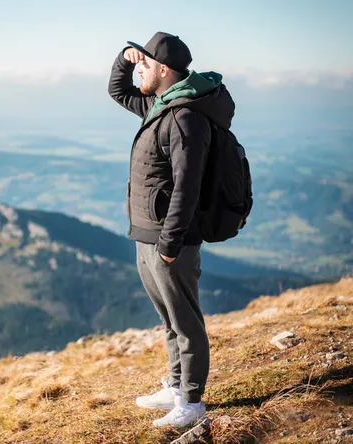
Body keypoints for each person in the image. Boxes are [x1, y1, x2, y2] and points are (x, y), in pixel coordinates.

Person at [107, 31, 235, 428]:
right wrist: (126, 57)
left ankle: (193, 401)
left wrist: (170, 242)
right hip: (147, 233)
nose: (137, 69)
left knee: (185, 322)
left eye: (144, 63)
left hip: (168, 239)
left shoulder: (184, 117)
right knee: (169, 319)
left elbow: (188, 185)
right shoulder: (157, 104)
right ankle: (177, 387)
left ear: (163, 70)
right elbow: (117, 90)